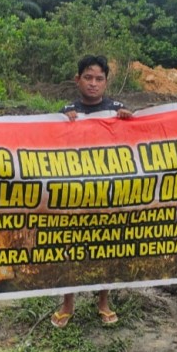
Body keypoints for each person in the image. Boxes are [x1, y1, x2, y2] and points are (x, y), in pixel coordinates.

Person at [50, 54, 133, 328]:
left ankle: (103, 302)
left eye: (99, 78)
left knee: (106, 248)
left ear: (106, 82)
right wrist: (62, 122)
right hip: (75, 194)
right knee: (70, 248)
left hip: (108, 194)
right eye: (88, 77)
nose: (93, 83)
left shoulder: (117, 110)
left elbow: (137, 142)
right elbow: (49, 144)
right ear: (78, 80)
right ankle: (68, 303)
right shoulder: (66, 111)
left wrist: (128, 122)